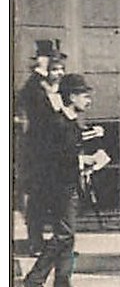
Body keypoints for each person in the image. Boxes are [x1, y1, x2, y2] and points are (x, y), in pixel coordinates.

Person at [19, 73, 101, 287]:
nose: (88, 100)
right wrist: (85, 161)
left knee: (68, 235)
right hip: (58, 188)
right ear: (72, 96)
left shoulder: (71, 122)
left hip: (69, 185)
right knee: (63, 235)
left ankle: (63, 284)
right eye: (84, 96)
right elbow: (52, 158)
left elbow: (70, 152)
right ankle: (34, 280)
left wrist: (86, 162)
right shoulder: (57, 123)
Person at [18, 41, 68, 253]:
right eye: (54, 67)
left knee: (56, 197)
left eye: (60, 68)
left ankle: (59, 243)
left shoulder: (53, 86)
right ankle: (35, 242)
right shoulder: (35, 85)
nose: (59, 72)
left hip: (54, 149)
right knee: (38, 197)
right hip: (39, 150)